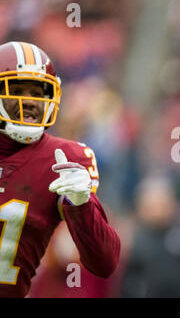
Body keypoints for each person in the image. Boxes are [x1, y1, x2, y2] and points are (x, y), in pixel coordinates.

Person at [0, 41, 120, 298]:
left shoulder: (62, 160)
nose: (29, 102)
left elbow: (105, 262)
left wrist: (82, 205)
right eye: (17, 89)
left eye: (38, 92)